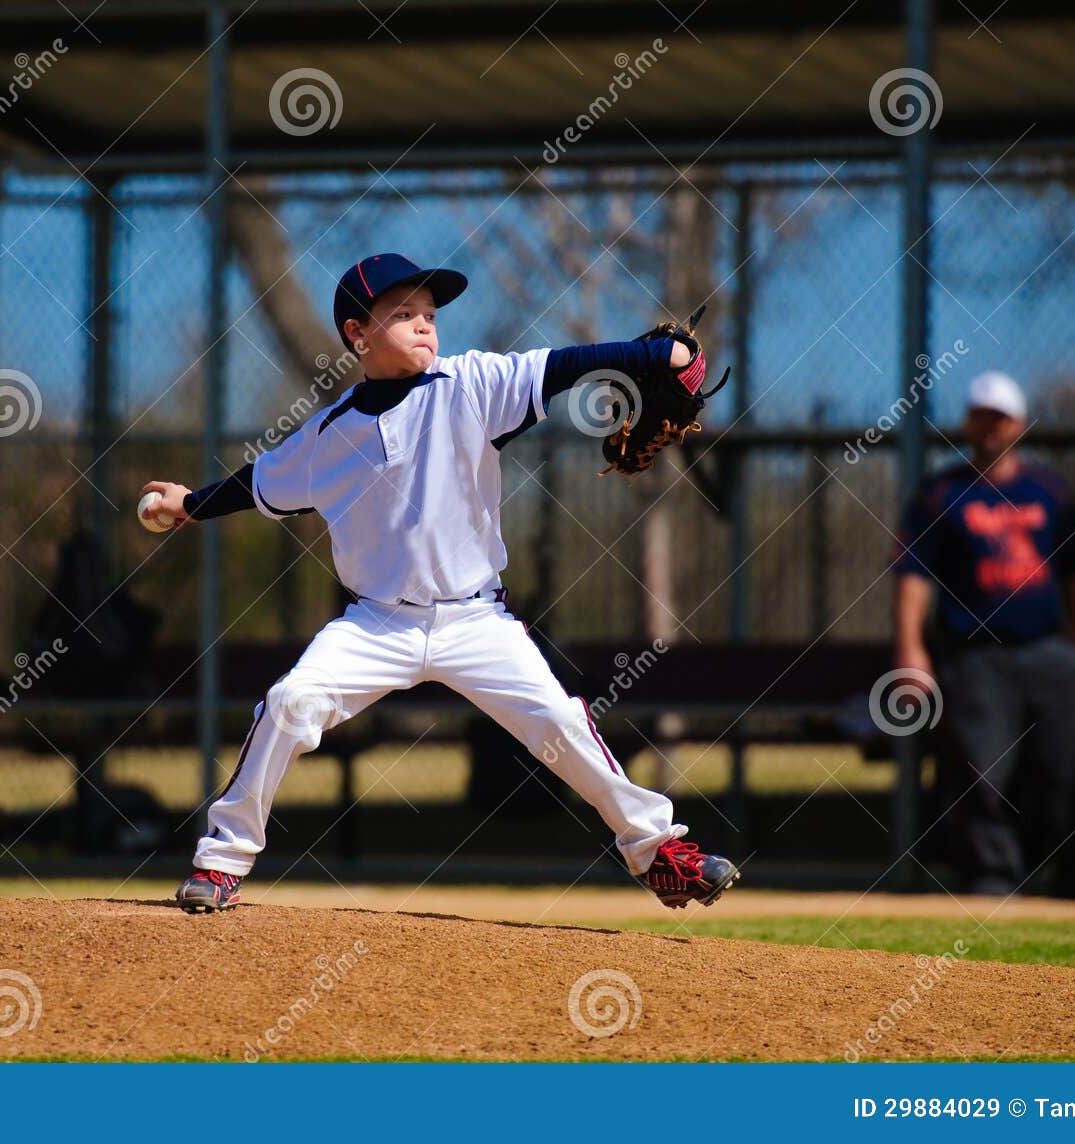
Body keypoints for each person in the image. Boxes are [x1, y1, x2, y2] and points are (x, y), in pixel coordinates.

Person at [140, 253, 740, 912]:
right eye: (403, 314)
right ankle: (223, 859)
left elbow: (560, 365)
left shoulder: (470, 384)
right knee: (288, 704)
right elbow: (257, 484)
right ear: (356, 333)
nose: (425, 325)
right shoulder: (327, 435)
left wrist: (642, 356)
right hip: (376, 624)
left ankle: (659, 853)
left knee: (563, 725)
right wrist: (190, 503)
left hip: (476, 621)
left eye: (430, 313)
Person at [892, 371, 1075, 895]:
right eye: (979, 415)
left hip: (1049, 650)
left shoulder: (1048, 490)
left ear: (1019, 425)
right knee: (980, 771)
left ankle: (1074, 877)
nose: (988, 426)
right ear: (967, 422)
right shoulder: (941, 494)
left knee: (1063, 768)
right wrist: (912, 651)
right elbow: (913, 577)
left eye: (999, 417)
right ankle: (991, 875)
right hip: (976, 654)